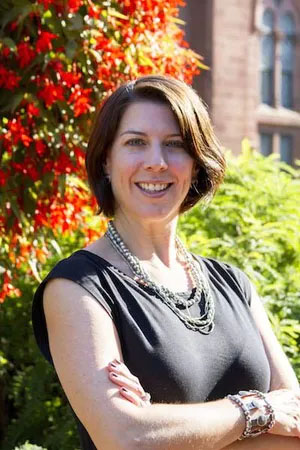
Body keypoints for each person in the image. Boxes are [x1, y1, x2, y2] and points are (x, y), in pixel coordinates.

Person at [32, 75, 300, 450]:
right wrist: (257, 411)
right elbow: (125, 437)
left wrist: (165, 428)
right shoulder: (77, 288)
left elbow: (294, 417)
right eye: (135, 142)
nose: (156, 162)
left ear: (195, 163)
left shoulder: (234, 285)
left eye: (175, 145)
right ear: (106, 161)